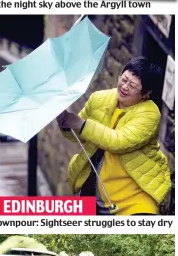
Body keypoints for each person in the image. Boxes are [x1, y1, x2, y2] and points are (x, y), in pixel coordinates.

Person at [57, 57, 171, 215]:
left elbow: (118, 141)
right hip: (95, 188)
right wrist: (67, 124)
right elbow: (80, 135)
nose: (124, 87)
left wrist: (80, 124)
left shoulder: (150, 114)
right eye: (124, 79)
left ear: (146, 93)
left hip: (134, 196)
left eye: (132, 86)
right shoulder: (99, 99)